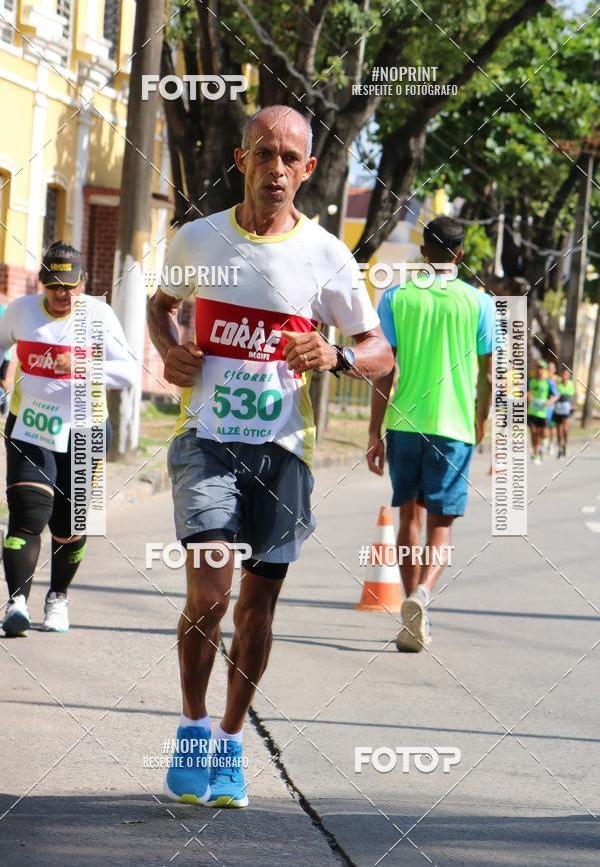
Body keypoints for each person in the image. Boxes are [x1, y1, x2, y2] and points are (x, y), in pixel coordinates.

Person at [147, 105, 393, 809]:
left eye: (291, 158)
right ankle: (192, 726)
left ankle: (229, 744)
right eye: (265, 154)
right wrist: (170, 352)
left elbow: (380, 354)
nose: (277, 169)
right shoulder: (197, 239)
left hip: (284, 452)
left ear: (309, 170)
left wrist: (338, 353)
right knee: (210, 594)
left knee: (256, 610)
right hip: (206, 442)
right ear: (241, 158)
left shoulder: (326, 255)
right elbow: (160, 306)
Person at [367, 216, 493, 653]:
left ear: (424, 253)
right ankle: (422, 597)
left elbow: (383, 369)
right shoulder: (478, 303)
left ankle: (408, 608)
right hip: (453, 427)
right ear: (459, 254)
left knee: (410, 518)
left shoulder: (396, 296)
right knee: (442, 525)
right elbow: (490, 377)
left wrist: (373, 432)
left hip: (403, 424)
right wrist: (480, 421)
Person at [0, 241, 135, 636]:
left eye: (71, 286)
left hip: (86, 427)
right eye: (54, 286)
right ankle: (16, 602)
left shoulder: (99, 315)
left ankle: (58, 597)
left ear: (84, 282)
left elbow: (128, 372)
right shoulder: (22, 312)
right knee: (28, 511)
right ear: (40, 282)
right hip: (31, 425)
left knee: (69, 524)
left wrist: (84, 364)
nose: (63, 295)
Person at [527, 359, 558, 465]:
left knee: (543, 434)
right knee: (533, 433)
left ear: (544, 369)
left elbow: (556, 395)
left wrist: (549, 401)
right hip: (531, 412)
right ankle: (536, 454)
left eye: (542, 368)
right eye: (538, 367)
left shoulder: (548, 382)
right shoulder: (530, 380)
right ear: (535, 368)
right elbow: (524, 392)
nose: (539, 370)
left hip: (543, 413)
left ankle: (543, 444)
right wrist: (528, 396)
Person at [554, 367, 576, 457]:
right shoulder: (558, 385)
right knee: (559, 430)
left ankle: (565, 445)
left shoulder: (571, 384)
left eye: (566, 374)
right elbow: (554, 395)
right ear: (561, 375)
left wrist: (574, 405)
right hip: (559, 408)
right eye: (563, 374)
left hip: (568, 409)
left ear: (569, 376)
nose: (564, 376)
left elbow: (574, 396)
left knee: (565, 429)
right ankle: (560, 447)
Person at [0, 303, 12, 415]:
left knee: (2, 380)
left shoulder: (3, 310)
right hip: (6, 354)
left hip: (4, 354)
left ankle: (6, 399)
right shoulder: (4, 309)